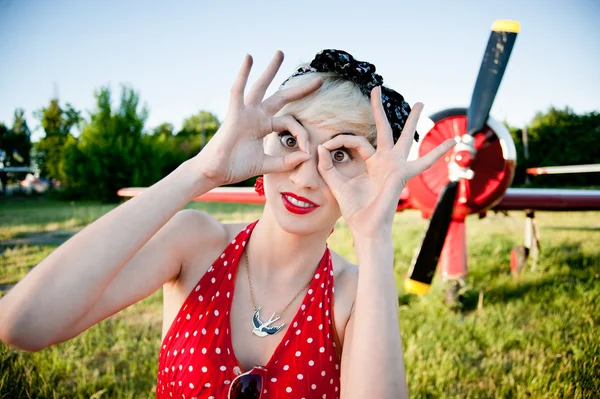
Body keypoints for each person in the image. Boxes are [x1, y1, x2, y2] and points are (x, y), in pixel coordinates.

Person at [0, 49, 455, 398]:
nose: (306, 175)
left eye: (341, 154)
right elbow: (23, 325)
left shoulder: (352, 293)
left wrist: (374, 238)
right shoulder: (194, 243)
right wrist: (200, 171)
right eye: (290, 137)